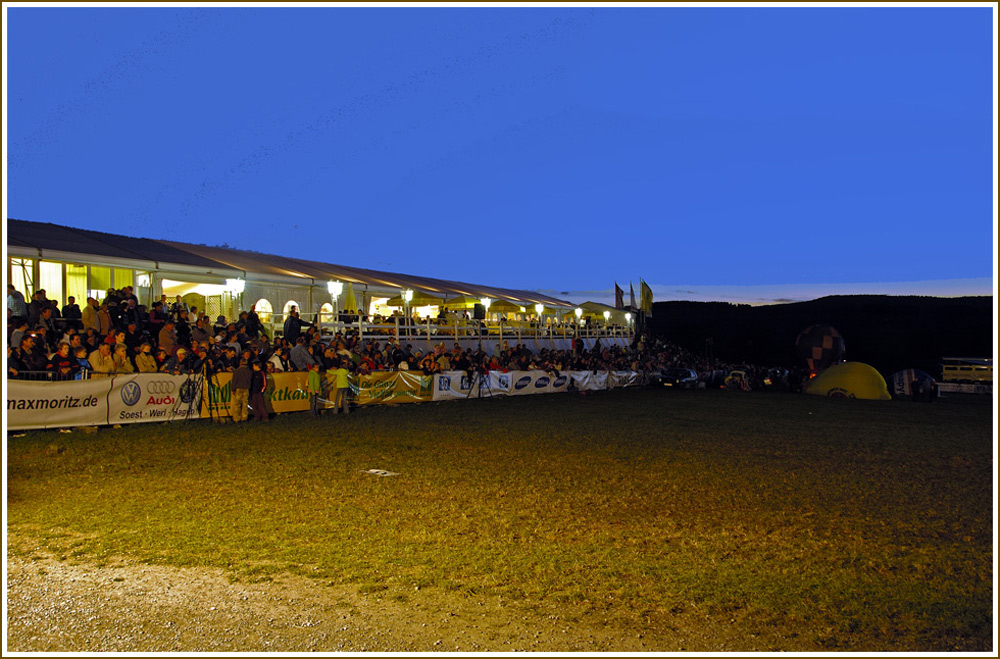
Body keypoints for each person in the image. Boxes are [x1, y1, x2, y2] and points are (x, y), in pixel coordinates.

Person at [230, 356, 252, 422]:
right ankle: (244, 417)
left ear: (240, 363)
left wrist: (233, 389)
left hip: (238, 388)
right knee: (245, 403)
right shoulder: (249, 371)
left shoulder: (237, 371)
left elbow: (234, 380)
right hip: (246, 388)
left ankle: (236, 418)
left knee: (237, 404)